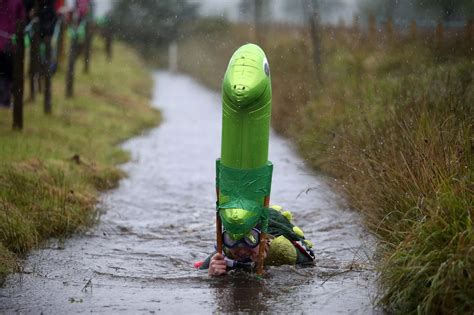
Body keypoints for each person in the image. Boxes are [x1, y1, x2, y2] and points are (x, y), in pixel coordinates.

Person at [197, 205, 315, 276]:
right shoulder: (224, 252)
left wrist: (266, 267)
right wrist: (211, 275)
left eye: (250, 239)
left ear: (262, 238)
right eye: (233, 239)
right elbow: (198, 273)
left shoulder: (282, 251)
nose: (241, 249)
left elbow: (310, 269)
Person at [0, 0, 26, 107]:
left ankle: (5, 99)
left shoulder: (17, 2)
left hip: (9, 43)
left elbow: (21, 20)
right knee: (8, 73)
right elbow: (22, 19)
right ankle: (5, 99)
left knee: (6, 73)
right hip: (9, 43)